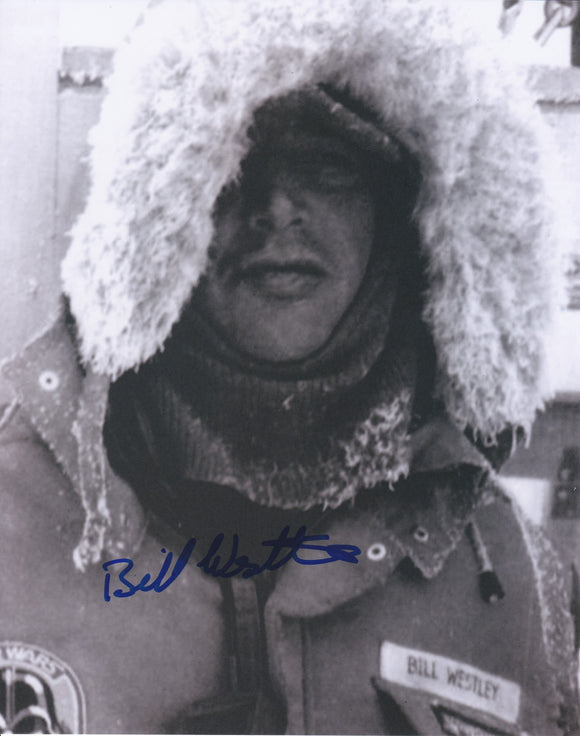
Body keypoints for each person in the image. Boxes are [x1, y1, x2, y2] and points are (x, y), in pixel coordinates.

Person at [0, 0, 578, 733]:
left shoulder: (506, 572)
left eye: (330, 168)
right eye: (233, 161)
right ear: (156, 203)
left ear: (402, 216)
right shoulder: (12, 506)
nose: (276, 207)